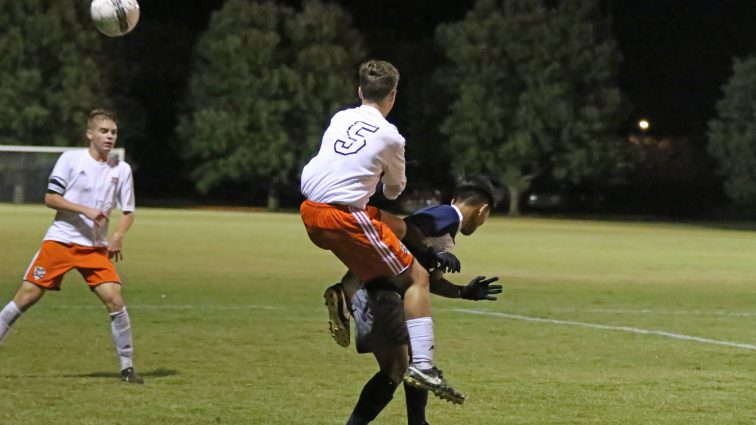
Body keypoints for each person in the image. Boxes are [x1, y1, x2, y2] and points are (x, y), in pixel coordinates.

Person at [300, 59, 460, 424]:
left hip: (310, 211)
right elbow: (394, 188)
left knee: (394, 227)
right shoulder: (392, 136)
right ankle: (423, 366)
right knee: (416, 277)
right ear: (393, 96)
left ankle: (348, 288)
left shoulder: (341, 118)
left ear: (359, 92)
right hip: (343, 215)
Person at [327, 175, 502, 424]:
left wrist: (464, 292)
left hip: (385, 291)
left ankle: (418, 422)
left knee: (412, 362)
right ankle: (346, 292)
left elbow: (432, 281)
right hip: (378, 291)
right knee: (396, 369)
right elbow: (401, 229)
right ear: (483, 211)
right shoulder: (447, 215)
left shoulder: (446, 231)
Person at [0, 109, 142, 384]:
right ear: (90, 134)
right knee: (26, 297)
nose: (110, 136)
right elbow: (51, 198)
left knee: (114, 299)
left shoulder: (121, 169)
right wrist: (83, 210)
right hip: (61, 241)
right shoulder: (70, 160)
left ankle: (127, 368)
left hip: (94, 248)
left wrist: (118, 236)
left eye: (113, 132)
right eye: (104, 131)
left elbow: (128, 211)